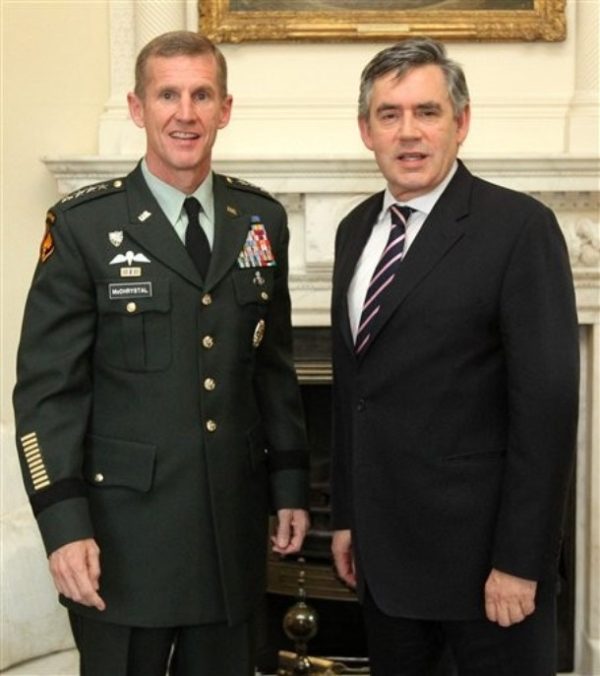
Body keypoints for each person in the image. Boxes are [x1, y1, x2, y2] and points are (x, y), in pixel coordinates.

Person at [13, 30, 309, 676]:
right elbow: (46, 393)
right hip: (122, 545)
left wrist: (290, 486)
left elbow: (273, 370)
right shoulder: (86, 228)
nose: (186, 112)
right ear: (137, 107)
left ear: (225, 109)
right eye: (168, 94)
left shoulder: (260, 222)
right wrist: (63, 525)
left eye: (202, 95)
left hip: (229, 537)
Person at [330, 38, 579, 675]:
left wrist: (522, 562)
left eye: (428, 112)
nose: (408, 133)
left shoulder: (519, 229)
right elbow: (355, 389)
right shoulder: (355, 230)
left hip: (486, 577)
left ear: (461, 122)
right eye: (389, 115)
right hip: (387, 567)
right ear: (366, 130)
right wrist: (349, 517)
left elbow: (546, 412)